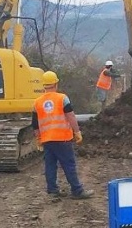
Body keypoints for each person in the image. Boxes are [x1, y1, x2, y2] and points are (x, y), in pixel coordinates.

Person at [32, 70, 94, 200]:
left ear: (43, 85)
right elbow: (70, 116)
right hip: (62, 138)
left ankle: (52, 191)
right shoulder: (62, 98)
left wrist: (38, 139)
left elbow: (35, 124)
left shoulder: (37, 102)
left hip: (47, 140)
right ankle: (77, 191)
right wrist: (77, 132)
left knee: (50, 165)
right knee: (68, 164)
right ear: (56, 83)